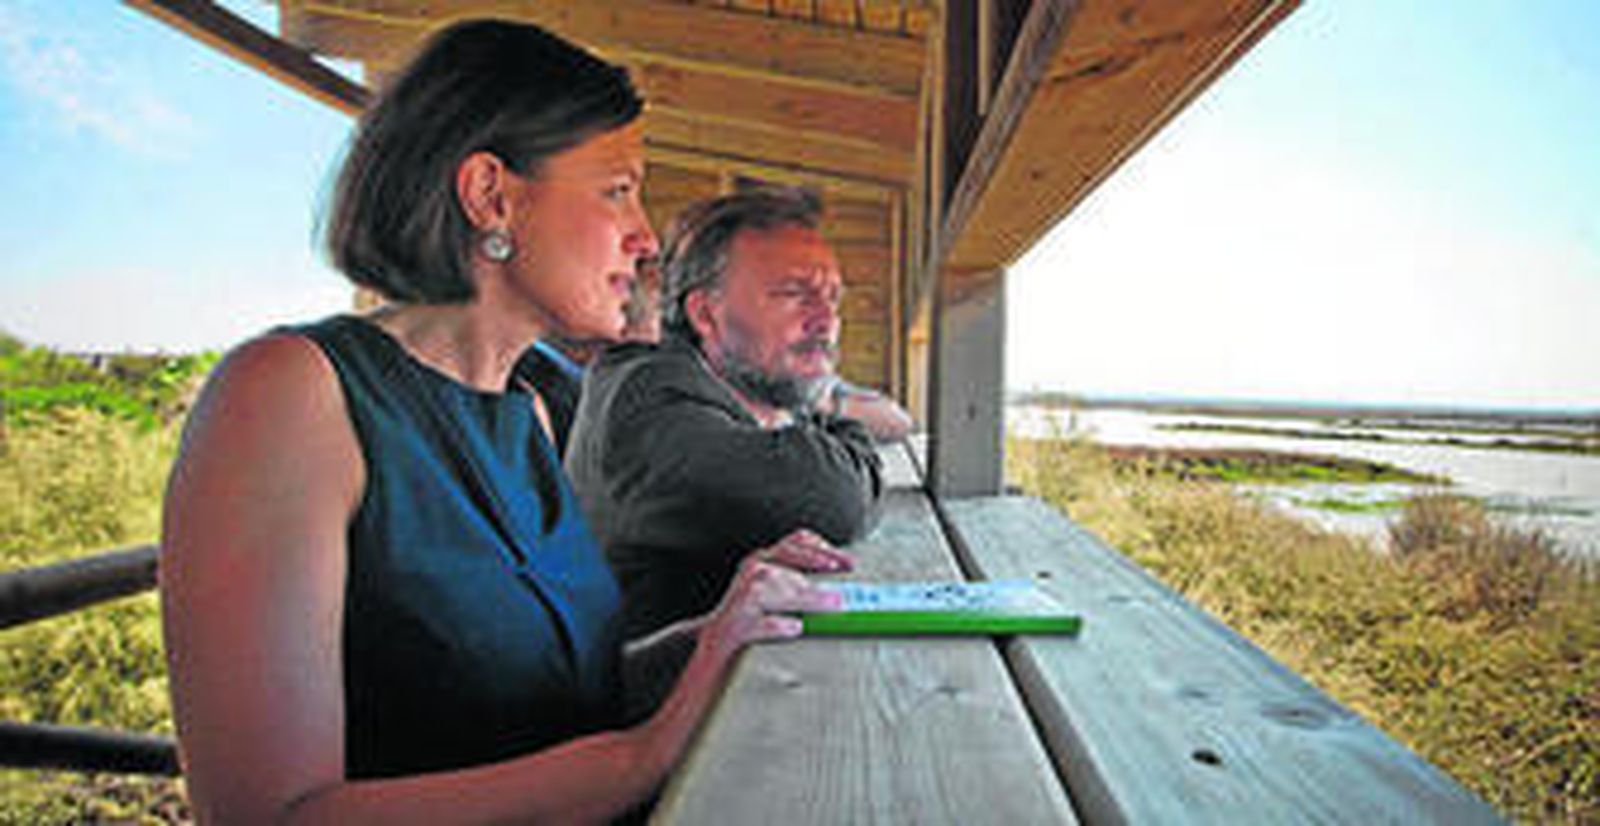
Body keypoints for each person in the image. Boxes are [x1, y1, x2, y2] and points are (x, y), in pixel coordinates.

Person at [159, 20, 849, 824]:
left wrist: (718, 632)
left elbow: (539, 701)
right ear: (492, 195)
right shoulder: (289, 395)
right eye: (618, 189)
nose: (647, 236)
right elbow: (267, 814)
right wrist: (646, 752)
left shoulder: (528, 414)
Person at [566, 186, 893, 642]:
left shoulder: (737, 393)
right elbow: (835, 497)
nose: (826, 320)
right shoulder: (647, 398)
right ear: (705, 314)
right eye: (793, 293)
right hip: (656, 704)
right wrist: (840, 436)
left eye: (833, 298)